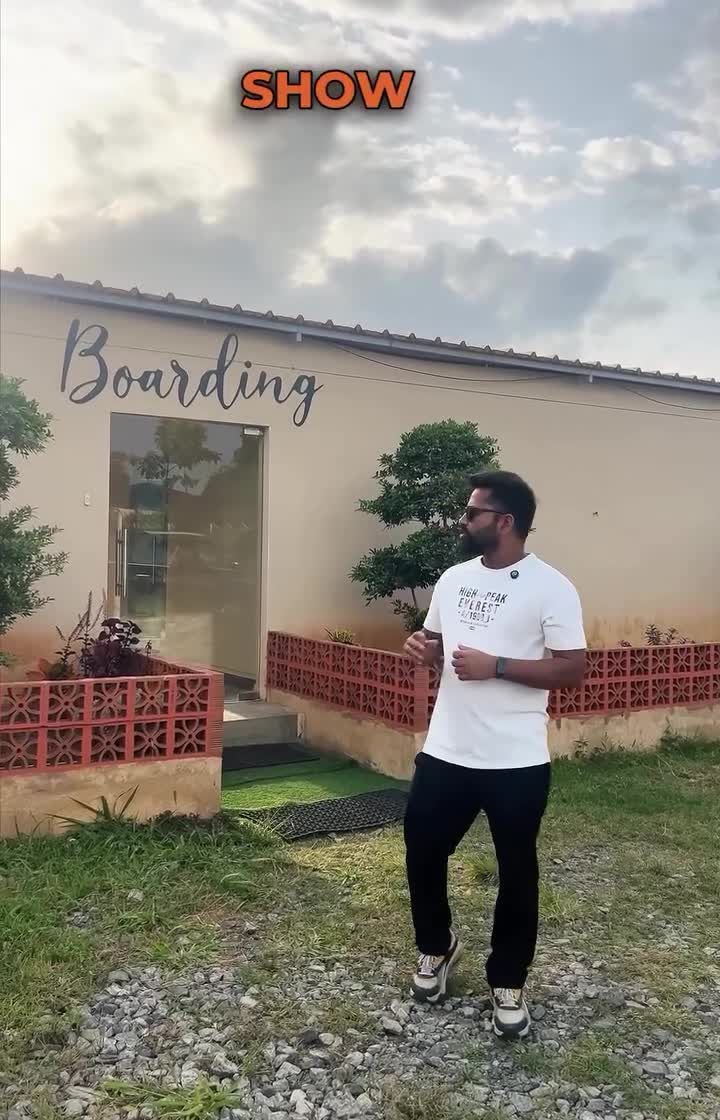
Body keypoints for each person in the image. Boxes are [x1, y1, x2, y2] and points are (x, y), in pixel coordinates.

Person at [402, 469, 586, 1039]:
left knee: (516, 870)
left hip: (515, 760)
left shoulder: (551, 587)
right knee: (423, 851)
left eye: (472, 513)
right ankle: (437, 947)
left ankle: (508, 980)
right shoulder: (453, 579)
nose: (463, 521)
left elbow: (572, 669)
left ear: (505, 522)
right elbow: (437, 645)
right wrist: (424, 651)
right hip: (447, 749)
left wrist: (498, 666)